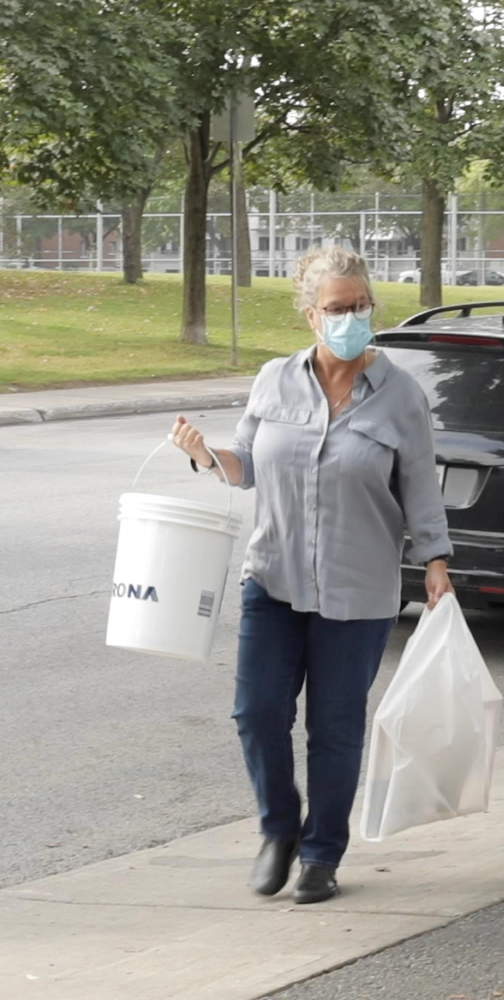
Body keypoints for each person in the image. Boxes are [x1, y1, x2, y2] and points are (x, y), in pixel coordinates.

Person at [169, 245, 453, 905]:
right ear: (309, 315)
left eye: (361, 306)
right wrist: (208, 456)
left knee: (334, 727)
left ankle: (323, 852)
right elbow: (249, 465)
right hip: (273, 576)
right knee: (256, 712)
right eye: (337, 308)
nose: (352, 317)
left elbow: (419, 484)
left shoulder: (400, 395)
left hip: (358, 588)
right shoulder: (274, 380)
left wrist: (436, 561)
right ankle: (279, 830)